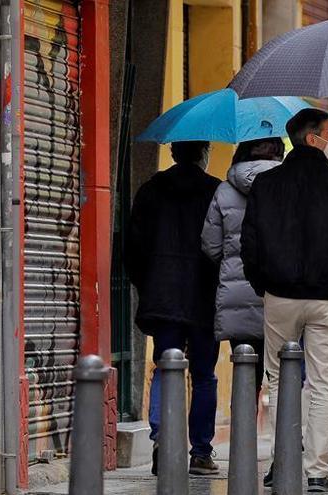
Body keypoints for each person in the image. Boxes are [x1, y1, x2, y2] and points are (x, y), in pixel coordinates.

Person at [241, 108, 328, 492]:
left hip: (279, 294)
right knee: (323, 383)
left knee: (279, 382)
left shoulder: (266, 184)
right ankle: (316, 470)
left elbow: (249, 241)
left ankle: (281, 462)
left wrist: (260, 284)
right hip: (327, 297)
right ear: (312, 138)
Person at [126, 141, 221, 476]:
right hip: (205, 298)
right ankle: (200, 451)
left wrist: (148, 283)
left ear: (174, 153)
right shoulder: (216, 191)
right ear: (204, 154)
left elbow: (133, 247)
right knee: (204, 376)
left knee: (166, 367)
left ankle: (162, 442)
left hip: (163, 296)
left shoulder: (151, 190)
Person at [201, 137, 285, 402]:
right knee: (285, 371)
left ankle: (243, 439)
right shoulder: (289, 186)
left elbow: (210, 245)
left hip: (236, 291)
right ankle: (283, 441)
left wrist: (231, 262)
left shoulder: (224, 191)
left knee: (245, 370)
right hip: (279, 291)